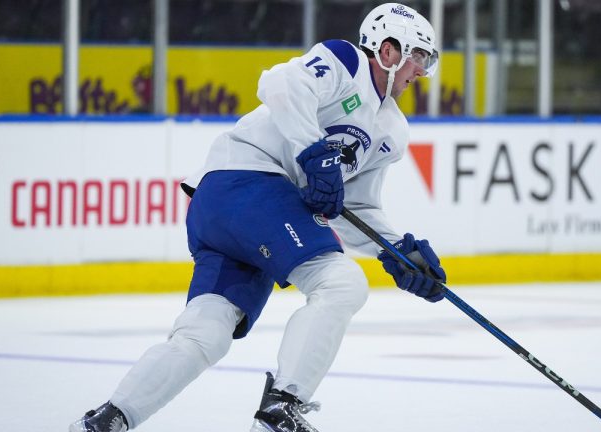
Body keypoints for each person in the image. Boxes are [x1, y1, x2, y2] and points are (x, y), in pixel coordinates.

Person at [69, 3, 446, 432]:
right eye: (418, 56)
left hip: (236, 212)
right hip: (246, 181)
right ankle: (280, 410)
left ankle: (107, 420)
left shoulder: (391, 131)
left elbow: (351, 207)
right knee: (340, 282)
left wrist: (394, 249)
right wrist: (312, 151)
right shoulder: (346, 61)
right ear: (388, 49)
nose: (421, 71)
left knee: (204, 337)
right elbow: (281, 84)